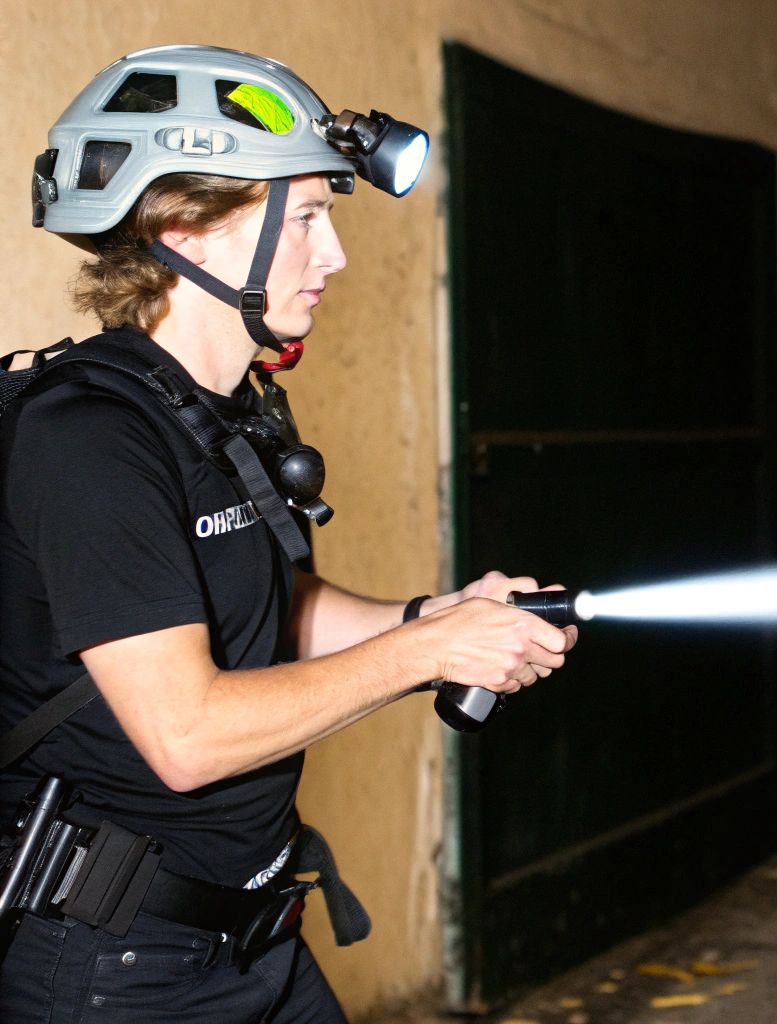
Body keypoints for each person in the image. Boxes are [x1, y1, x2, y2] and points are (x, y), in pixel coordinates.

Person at [0, 45, 577, 1021]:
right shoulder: (89, 438)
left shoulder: (225, 411)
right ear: (187, 228)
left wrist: (431, 611)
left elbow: (271, 605)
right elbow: (185, 735)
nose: (335, 255)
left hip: (258, 937)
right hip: (116, 970)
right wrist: (423, 650)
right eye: (306, 217)